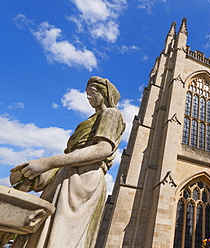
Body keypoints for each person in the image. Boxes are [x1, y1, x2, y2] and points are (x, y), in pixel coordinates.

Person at [10, 76, 125, 248]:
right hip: (67, 176)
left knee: (62, 236)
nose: (88, 98)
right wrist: (33, 175)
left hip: (83, 179)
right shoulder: (90, 120)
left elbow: (103, 150)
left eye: (92, 93)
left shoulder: (112, 114)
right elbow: (71, 156)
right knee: (40, 233)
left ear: (104, 93)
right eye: (87, 94)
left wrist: (49, 162)